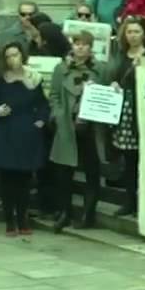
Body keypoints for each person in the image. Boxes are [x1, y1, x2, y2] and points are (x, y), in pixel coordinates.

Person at [0, 42, 50, 236]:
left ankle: (23, 219)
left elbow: (43, 104)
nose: (13, 59)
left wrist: (40, 120)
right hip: (6, 131)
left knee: (24, 180)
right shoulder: (0, 78)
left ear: (23, 55)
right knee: (6, 180)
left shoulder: (33, 78)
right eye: (9, 56)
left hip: (27, 132)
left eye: (16, 54)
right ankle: (9, 221)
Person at [49, 30, 105, 231]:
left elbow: (107, 92)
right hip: (67, 124)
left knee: (92, 170)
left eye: (85, 44)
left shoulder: (100, 70)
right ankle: (65, 213)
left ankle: (88, 214)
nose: (80, 47)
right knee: (64, 172)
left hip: (91, 126)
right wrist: (58, 114)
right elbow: (54, 95)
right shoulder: (61, 69)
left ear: (91, 48)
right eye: (77, 44)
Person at [108, 17, 145, 217]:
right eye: (129, 32)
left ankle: (144, 202)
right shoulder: (120, 56)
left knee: (144, 160)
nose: (133, 35)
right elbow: (113, 77)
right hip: (123, 111)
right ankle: (129, 201)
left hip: (141, 110)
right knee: (128, 161)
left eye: (136, 32)